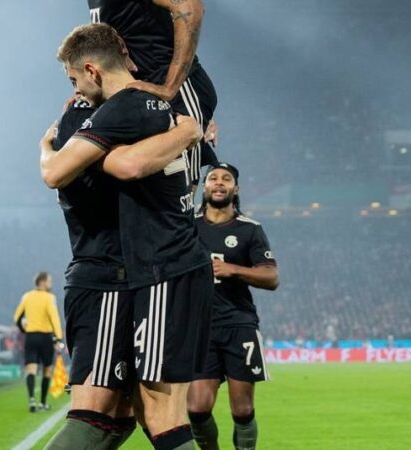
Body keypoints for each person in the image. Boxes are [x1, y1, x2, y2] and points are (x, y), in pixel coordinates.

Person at [40, 23, 213, 450]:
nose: (75, 90)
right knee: (119, 414)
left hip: (151, 270)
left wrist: (46, 148)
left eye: (75, 79)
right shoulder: (171, 105)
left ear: (92, 70)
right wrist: (187, 131)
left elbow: (91, 169)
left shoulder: (103, 112)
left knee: (150, 415)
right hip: (138, 270)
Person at [188, 162, 280, 450]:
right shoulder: (187, 225)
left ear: (235, 189)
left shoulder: (249, 229)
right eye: (213, 178)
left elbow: (271, 276)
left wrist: (234, 270)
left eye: (226, 179)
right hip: (199, 327)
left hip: (238, 324)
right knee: (197, 408)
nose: (219, 183)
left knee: (241, 410)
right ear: (204, 187)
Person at [88, 0, 219, 185]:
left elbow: (189, 6)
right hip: (141, 98)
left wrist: (170, 86)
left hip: (174, 95)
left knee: (176, 199)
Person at [14, 272, 64, 412]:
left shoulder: (27, 296)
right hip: (45, 337)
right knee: (47, 370)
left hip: (31, 336)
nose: (51, 284)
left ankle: (31, 400)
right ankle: (42, 403)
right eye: (49, 281)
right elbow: (54, 317)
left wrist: (23, 330)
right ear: (42, 282)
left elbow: (17, 317)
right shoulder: (49, 298)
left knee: (31, 369)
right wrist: (58, 337)